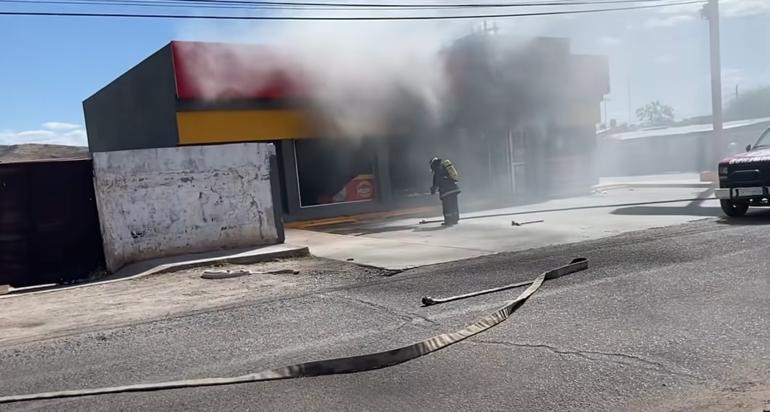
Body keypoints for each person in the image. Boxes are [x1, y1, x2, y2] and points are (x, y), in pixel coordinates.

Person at [430, 157, 461, 226]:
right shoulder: (445, 167)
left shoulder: (437, 171)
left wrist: (433, 190)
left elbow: (436, 184)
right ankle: (455, 219)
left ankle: (448, 221)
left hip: (446, 192)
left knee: (447, 207)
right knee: (454, 205)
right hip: (454, 189)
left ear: (433, 165)